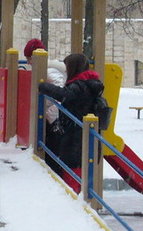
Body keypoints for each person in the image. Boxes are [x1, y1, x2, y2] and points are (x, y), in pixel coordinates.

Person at [37, 53, 104, 191]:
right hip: (84, 134)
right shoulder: (91, 84)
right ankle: (79, 194)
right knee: (81, 168)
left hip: (74, 134)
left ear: (74, 67)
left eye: (67, 67)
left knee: (71, 171)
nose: (66, 70)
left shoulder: (78, 85)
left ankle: (73, 198)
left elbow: (65, 95)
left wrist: (44, 87)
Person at [24, 38, 66, 170]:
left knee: (52, 150)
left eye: (29, 58)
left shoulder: (48, 71)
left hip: (53, 118)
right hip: (50, 115)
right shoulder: (43, 70)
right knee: (51, 150)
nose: (28, 62)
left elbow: (60, 93)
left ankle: (54, 170)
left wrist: (49, 114)